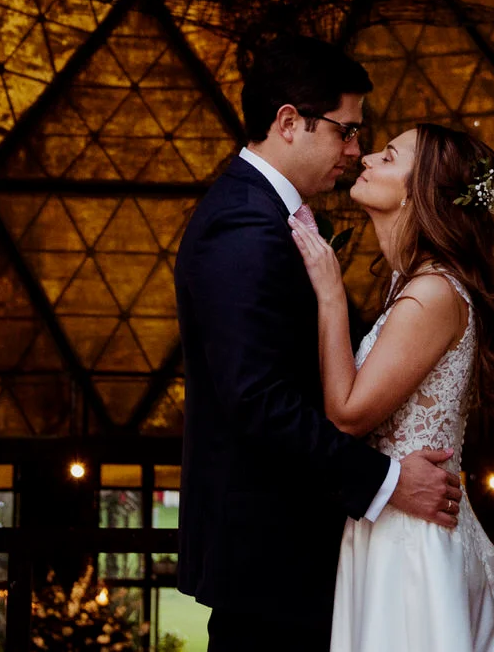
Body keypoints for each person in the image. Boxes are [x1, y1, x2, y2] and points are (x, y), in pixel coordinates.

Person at [175, 36, 465, 652]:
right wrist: (389, 481)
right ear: (289, 123)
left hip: (300, 560)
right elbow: (259, 401)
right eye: (346, 131)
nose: (356, 150)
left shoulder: (269, 217)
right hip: (271, 560)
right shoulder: (243, 225)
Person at [287, 122, 494, 652]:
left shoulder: (433, 293)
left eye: (388, 156)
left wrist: (330, 296)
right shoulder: (416, 285)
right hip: (391, 523)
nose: (366, 158)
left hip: (412, 546)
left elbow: (347, 415)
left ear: (418, 191)